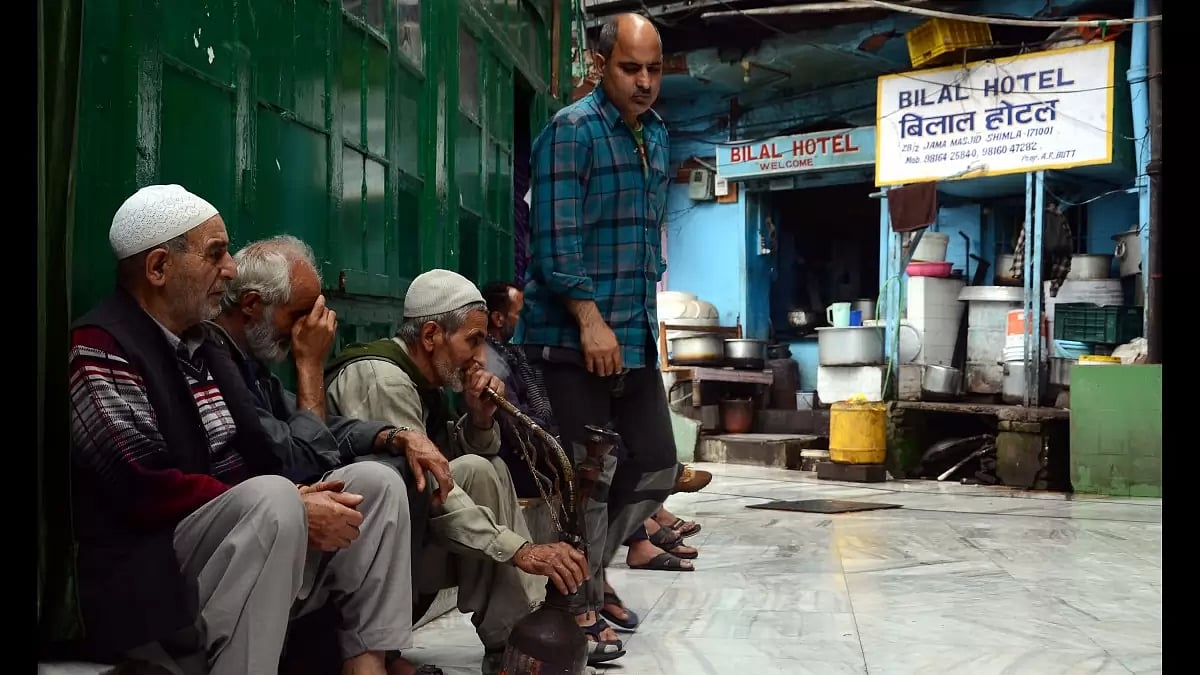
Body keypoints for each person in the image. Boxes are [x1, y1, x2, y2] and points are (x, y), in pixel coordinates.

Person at [67, 185, 411, 675]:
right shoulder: (100, 345)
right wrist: (292, 504)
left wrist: (384, 438)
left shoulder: (204, 345)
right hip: (149, 570)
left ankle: (366, 665)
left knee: (377, 485)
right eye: (215, 254)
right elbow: (139, 486)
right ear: (159, 268)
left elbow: (281, 434)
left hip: (247, 532)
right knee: (274, 498)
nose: (230, 269)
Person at [205, 234, 466, 673]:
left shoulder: (252, 364)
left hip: (276, 524)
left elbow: (315, 427)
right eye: (300, 315)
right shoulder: (217, 359)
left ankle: (369, 660)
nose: (312, 329)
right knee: (350, 486)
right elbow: (301, 460)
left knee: (384, 477)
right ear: (251, 305)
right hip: (240, 543)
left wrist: (393, 434)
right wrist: (309, 366)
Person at [324, 269, 590, 674]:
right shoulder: (383, 380)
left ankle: (513, 634)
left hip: (410, 543)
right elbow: (429, 485)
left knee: (484, 467)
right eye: (474, 340)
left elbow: (456, 467)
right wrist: (520, 549)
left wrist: (480, 419)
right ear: (431, 335)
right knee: (477, 475)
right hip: (357, 566)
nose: (481, 357)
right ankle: (517, 639)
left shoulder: (425, 380)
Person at [518, 11, 679, 646]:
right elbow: (554, 244)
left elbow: (645, 240)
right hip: (569, 338)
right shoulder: (572, 131)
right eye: (630, 68)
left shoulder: (656, 135)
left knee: (656, 462)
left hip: (632, 334)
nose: (644, 82)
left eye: (654, 70)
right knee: (588, 479)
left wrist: (639, 324)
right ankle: (574, 604)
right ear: (600, 65)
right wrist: (590, 320)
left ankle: (590, 574)